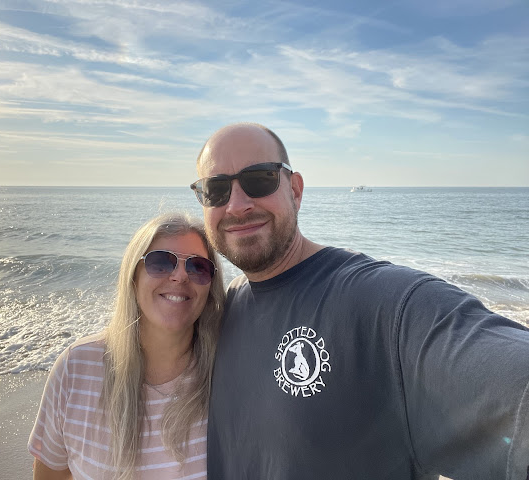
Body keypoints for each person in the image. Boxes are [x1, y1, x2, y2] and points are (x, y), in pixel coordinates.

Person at [190, 123, 529, 480]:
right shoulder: (222, 312)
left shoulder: (386, 305)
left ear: (295, 189)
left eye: (259, 179)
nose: (237, 205)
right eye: (216, 190)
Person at [28, 212, 225, 479]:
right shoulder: (76, 369)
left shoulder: (226, 374)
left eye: (197, 267)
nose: (180, 276)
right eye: (160, 263)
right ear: (133, 276)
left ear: (210, 285)